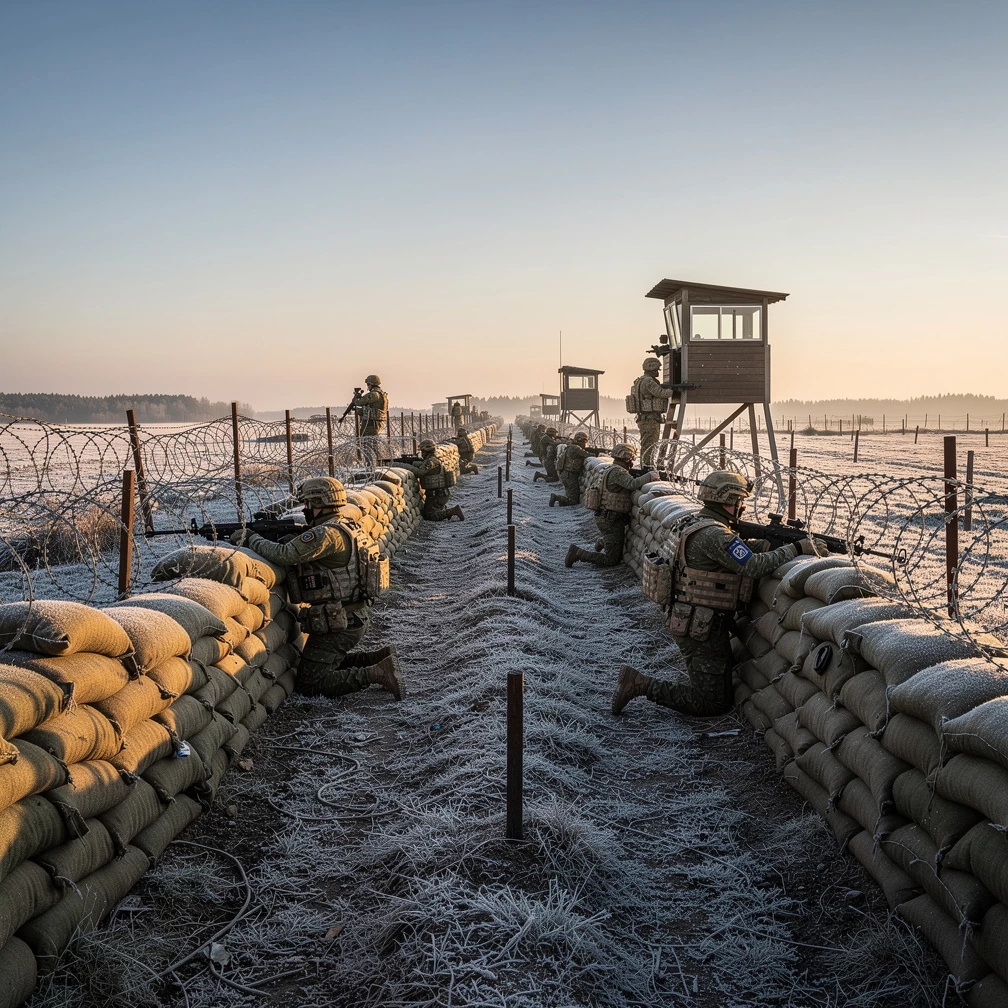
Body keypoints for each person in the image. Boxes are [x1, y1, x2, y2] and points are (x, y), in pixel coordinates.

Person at [611, 470, 829, 718]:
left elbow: (735, 551)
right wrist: (796, 547)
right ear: (729, 500)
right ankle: (640, 684)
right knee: (713, 703)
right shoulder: (715, 534)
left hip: (690, 619)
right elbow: (753, 565)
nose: (743, 506)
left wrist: (768, 544)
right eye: (740, 501)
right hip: (701, 626)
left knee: (714, 681)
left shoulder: (694, 522)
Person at [230, 477, 404, 700]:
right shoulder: (348, 525)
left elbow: (284, 555)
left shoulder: (325, 533)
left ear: (318, 503)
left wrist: (250, 538)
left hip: (341, 622)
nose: (305, 509)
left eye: (308, 504)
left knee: (310, 683)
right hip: (352, 615)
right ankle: (377, 658)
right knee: (323, 661)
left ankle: (376, 673)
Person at [565, 443, 657, 567]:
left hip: (606, 517)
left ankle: (603, 542)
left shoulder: (611, 469)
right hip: (609, 518)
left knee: (613, 540)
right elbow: (632, 484)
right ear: (627, 458)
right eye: (631, 459)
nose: (632, 462)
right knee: (611, 559)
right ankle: (578, 553)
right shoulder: (618, 472)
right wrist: (649, 476)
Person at [629, 358, 675, 466]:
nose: (658, 372)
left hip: (645, 418)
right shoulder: (648, 381)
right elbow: (661, 393)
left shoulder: (640, 380)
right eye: (656, 370)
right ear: (651, 368)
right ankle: (647, 467)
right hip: (650, 419)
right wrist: (673, 391)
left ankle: (646, 465)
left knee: (647, 444)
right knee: (650, 445)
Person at [408, 439, 465, 521]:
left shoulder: (432, 461)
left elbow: (419, 472)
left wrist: (403, 465)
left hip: (437, 494)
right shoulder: (432, 460)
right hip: (438, 493)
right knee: (426, 513)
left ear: (426, 451)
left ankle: (453, 511)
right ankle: (443, 510)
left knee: (429, 516)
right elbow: (422, 465)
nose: (422, 454)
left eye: (422, 451)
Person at [549, 432, 603, 507]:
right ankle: (556, 498)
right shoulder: (575, 448)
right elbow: (587, 455)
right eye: (585, 442)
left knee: (570, 494)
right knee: (574, 500)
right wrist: (596, 452)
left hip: (565, 474)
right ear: (580, 441)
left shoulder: (571, 447)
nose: (585, 444)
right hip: (569, 475)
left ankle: (562, 502)